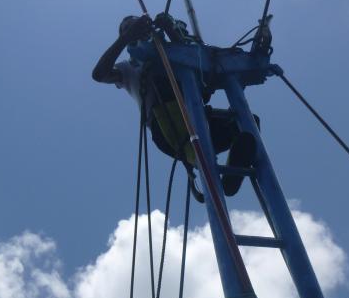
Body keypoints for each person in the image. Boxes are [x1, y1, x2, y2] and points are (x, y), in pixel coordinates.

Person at [92, 14, 256, 199]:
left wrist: (170, 29)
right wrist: (125, 38)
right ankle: (200, 163)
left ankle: (230, 177)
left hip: (199, 119)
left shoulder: (172, 52)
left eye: (136, 25)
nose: (134, 29)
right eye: (127, 28)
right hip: (168, 128)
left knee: (248, 123)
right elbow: (100, 74)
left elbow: (195, 57)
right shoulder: (128, 68)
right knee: (160, 79)